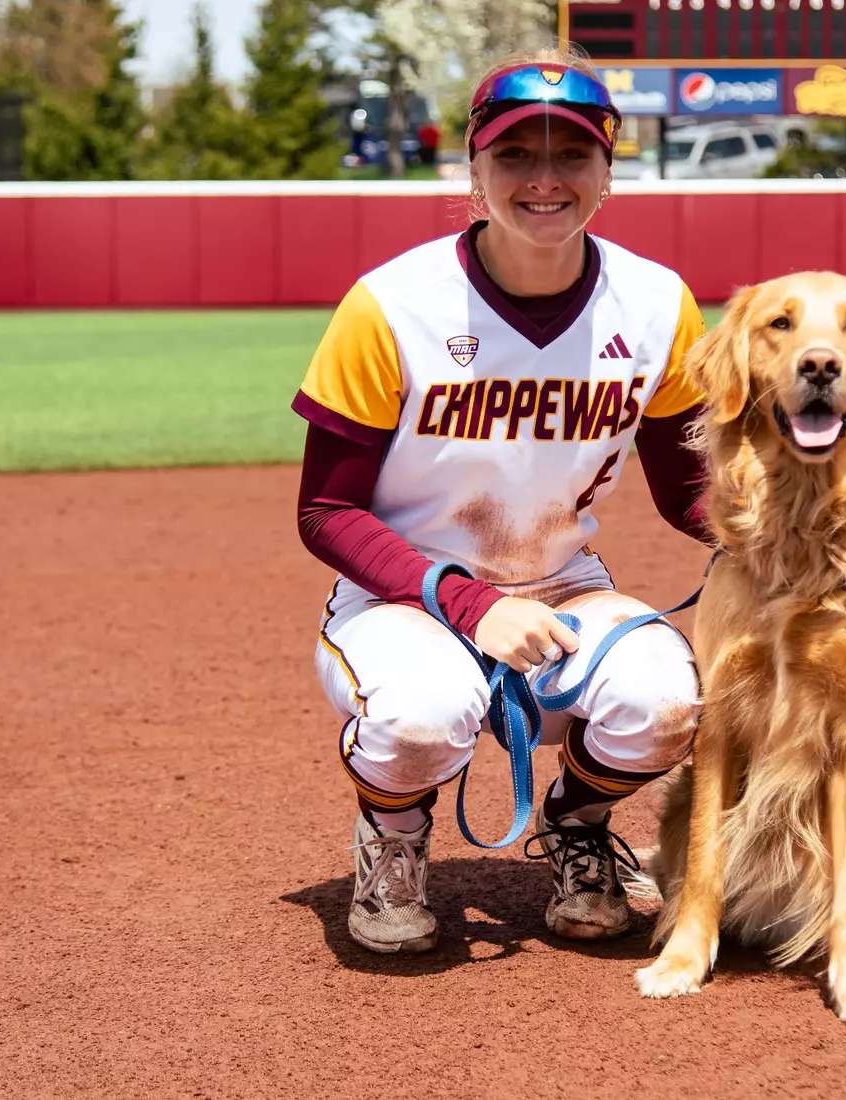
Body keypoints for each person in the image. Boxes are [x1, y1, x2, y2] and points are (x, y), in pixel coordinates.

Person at [292, 47, 715, 956]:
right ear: (474, 168)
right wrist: (469, 604)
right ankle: (394, 841)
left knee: (665, 700)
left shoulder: (655, 304)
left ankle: (574, 823)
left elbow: (690, 493)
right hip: (400, 597)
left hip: (562, 586)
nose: (545, 179)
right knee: (417, 718)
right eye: (517, 154)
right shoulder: (391, 305)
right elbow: (324, 515)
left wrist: (804, 533)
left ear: (609, 167)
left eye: (574, 155)